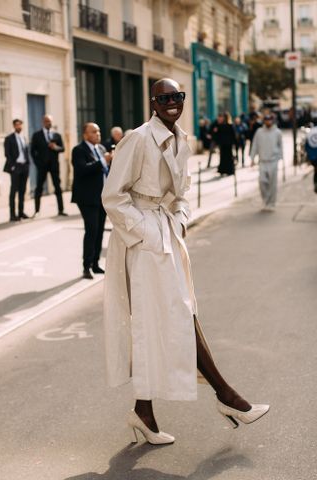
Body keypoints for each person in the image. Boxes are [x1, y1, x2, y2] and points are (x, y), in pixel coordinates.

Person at [102, 78, 269, 445]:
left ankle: (143, 411)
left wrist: (178, 218)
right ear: (153, 102)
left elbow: (183, 192)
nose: (172, 103)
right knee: (176, 314)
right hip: (144, 241)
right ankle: (228, 397)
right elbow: (113, 196)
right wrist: (145, 231)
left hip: (167, 234)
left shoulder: (182, 140)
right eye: (164, 98)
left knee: (171, 315)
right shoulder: (138, 138)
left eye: (177, 96)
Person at [71, 123, 110, 279]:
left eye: (99, 131)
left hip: (102, 197)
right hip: (87, 198)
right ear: (85, 135)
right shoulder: (79, 150)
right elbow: (82, 170)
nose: (98, 134)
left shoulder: (101, 149)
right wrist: (102, 162)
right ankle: (86, 266)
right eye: (94, 132)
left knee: (100, 230)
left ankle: (95, 263)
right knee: (92, 230)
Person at [31, 115, 67, 217]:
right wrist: (37, 164)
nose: (48, 123)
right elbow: (33, 151)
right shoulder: (36, 135)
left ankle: (61, 210)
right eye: (46, 121)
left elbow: (63, 149)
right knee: (39, 188)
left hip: (54, 166)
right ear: (43, 122)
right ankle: (37, 211)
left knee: (57, 187)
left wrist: (55, 147)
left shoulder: (56, 135)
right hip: (42, 166)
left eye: (50, 121)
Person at [250, 113, 283, 211]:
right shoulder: (259, 132)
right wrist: (252, 158)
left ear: (272, 121)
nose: (268, 122)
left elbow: (280, 145)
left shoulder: (277, 132)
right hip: (262, 161)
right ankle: (265, 200)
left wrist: (280, 158)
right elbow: (255, 144)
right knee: (262, 182)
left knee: (272, 183)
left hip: (273, 160)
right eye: (266, 120)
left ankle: (271, 203)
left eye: (270, 120)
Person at [3, 119, 30, 222]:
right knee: (13, 191)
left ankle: (21, 212)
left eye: (20, 125)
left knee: (22, 191)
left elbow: (26, 152)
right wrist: (13, 166)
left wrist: (27, 164)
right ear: (14, 126)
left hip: (24, 167)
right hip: (15, 167)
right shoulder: (9, 139)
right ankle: (12, 215)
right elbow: (7, 154)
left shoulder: (24, 137)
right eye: (16, 125)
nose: (19, 127)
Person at [304, 126, 317, 193]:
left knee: (316, 170)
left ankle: (315, 183)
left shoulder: (310, 133)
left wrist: (309, 156)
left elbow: (306, 147)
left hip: (312, 157)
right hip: (314, 157)